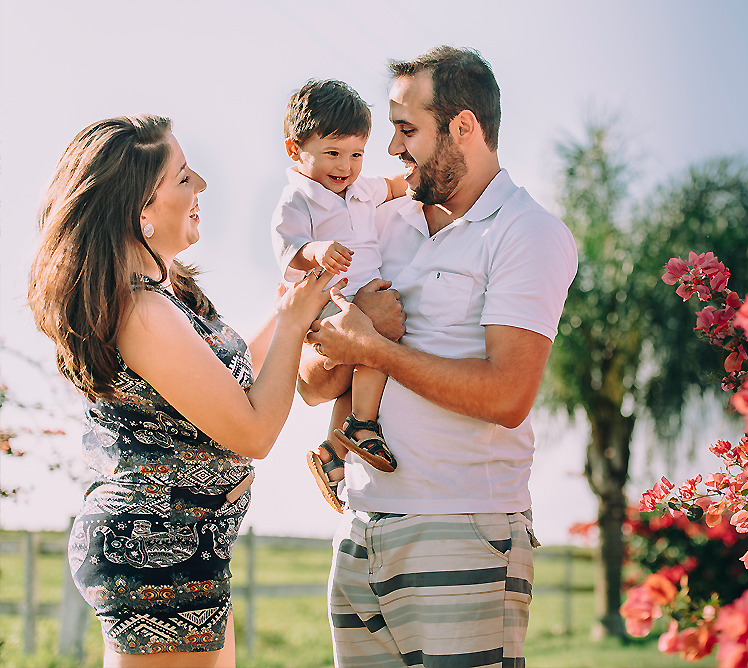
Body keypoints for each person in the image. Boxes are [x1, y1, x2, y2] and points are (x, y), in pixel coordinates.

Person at [298, 46, 579, 668]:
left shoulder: (527, 233)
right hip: (361, 528)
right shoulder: (377, 223)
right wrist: (350, 338)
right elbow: (313, 385)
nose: (391, 147)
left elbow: (507, 396)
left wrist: (371, 347)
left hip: (463, 527)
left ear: (463, 127)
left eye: (407, 129)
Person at [26, 115, 336, 667]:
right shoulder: (141, 311)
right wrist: (293, 323)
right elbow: (253, 431)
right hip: (157, 551)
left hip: (186, 545)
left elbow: (235, 379)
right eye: (185, 177)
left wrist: (295, 302)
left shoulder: (164, 294)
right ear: (142, 210)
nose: (203, 186)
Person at [271, 79, 407, 512]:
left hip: (364, 294)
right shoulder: (298, 198)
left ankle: (333, 451)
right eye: (332, 153)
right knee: (374, 348)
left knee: (370, 357)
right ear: (295, 150)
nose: (345, 166)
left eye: (356, 154)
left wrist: (419, 178)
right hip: (330, 301)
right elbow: (289, 250)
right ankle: (362, 425)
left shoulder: (362, 189)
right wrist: (317, 251)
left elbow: (395, 186)